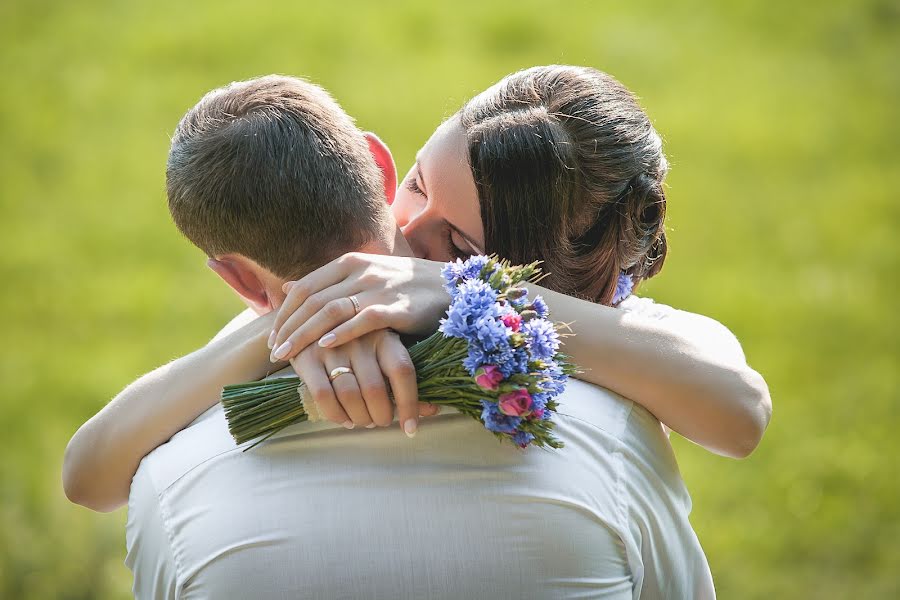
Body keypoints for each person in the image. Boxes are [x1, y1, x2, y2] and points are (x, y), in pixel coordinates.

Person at [62, 69, 770, 598]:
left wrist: (462, 292)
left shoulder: (575, 331)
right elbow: (86, 472)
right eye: (421, 186)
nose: (406, 233)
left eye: (457, 242)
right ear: (387, 163)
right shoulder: (310, 316)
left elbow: (740, 414)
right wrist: (285, 329)